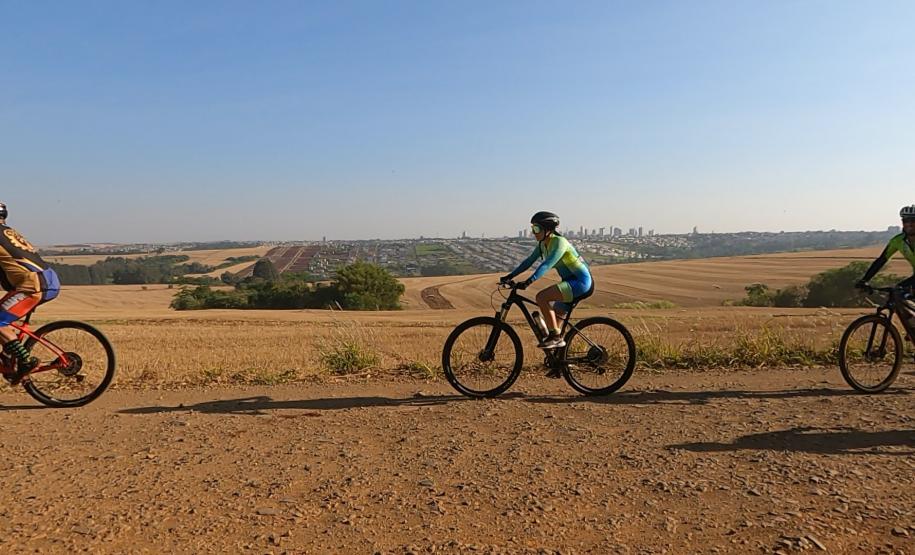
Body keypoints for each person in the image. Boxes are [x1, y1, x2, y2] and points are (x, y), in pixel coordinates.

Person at [500, 211, 593, 351]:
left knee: (541, 297)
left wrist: (529, 281)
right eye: (532, 229)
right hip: (570, 281)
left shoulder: (559, 242)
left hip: (580, 282)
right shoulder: (543, 244)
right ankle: (559, 364)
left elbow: (547, 264)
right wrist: (510, 276)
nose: (533, 232)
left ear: (547, 229)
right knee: (554, 323)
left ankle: (555, 337)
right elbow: (528, 261)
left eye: (536, 229)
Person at [0, 202, 60, 383]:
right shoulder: (8, 232)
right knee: (5, 320)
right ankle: (11, 361)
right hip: (47, 280)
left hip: (32, 285)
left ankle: (25, 361)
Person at [857, 205, 915, 292]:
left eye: (913, 220)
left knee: (898, 291)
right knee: (897, 296)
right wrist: (865, 280)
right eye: (906, 220)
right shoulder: (897, 241)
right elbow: (881, 260)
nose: (909, 224)